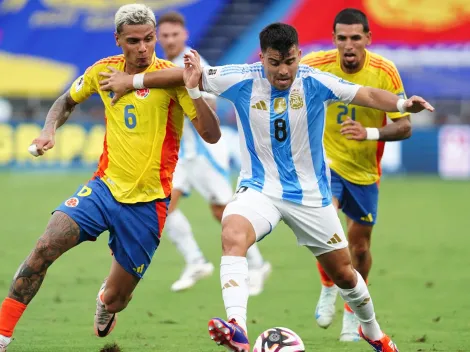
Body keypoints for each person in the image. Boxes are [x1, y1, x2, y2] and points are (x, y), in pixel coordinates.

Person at [98, 23, 434, 352]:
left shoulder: (316, 81)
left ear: (299, 56)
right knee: (232, 233)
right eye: (275, 63)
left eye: (290, 62)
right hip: (259, 190)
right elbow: (184, 76)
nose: (283, 71)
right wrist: (133, 80)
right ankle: (238, 328)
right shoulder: (242, 79)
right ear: (262, 58)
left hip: (310, 197)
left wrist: (403, 106)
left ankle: (373, 332)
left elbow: (368, 94)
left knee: (345, 274)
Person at [0, 4, 221, 351]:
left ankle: (105, 301)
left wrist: (193, 90)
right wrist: (48, 129)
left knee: (118, 298)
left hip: (148, 205)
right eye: (134, 41)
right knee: (44, 246)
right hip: (103, 189)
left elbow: (212, 135)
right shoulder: (102, 71)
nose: (144, 48)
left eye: (149, 39)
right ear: (118, 39)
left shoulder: (171, 78)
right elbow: (66, 100)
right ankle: (2, 336)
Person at [300, 8, 412, 341]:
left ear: (367, 39)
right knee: (326, 223)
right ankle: (327, 285)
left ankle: (352, 312)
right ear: (334, 39)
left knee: (359, 249)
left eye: (355, 38)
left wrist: (370, 133)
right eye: (342, 38)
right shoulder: (315, 64)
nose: (348, 45)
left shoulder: (383, 71)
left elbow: (404, 126)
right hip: (325, 162)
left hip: (364, 171)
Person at [156, 11, 271, 295]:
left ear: (185, 35)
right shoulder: (162, 65)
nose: (170, 39)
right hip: (181, 153)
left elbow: (210, 101)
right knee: (164, 207)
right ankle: (195, 261)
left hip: (205, 151)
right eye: (165, 35)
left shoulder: (192, 63)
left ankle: (257, 265)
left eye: (174, 34)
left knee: (223, 212)